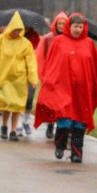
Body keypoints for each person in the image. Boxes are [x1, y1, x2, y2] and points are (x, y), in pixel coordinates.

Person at [34, 13, 97, 163]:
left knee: (80, 121)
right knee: (65, 120)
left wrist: (95, 83)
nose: (77, 30)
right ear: (69, 26)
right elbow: (52, 64)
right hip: (63, 88)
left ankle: (77, 153)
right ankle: (60, 145)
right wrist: (50, 82)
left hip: (82, 91)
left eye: (80, 27)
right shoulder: (59, 41)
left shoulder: (89, 43)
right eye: (75, 26)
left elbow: (95, 68)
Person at [0, 12, 39, 141]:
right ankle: (4, 126)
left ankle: (13, 130)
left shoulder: (25, 44)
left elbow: (31, 62)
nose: (16, 33)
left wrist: (33, 78)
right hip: (3, 78)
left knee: (17, 106)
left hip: (19, 79)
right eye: (14, 29)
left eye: (19, 30)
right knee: (7, 104)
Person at [36, 12, 69, 140]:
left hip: (63, 76)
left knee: (62, 103)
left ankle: (60, 126)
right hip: (50, 74)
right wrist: (43, 74)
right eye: (59, 23)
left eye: (63, 23)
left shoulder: (69, 38)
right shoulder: (48, 38)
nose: (61, 26)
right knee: (51, 101)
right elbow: (41, 57)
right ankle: (51, 123)